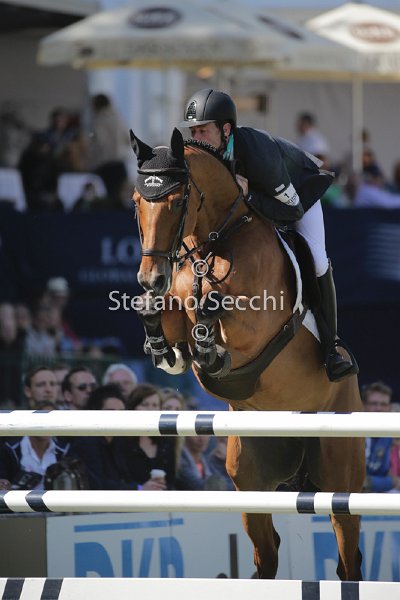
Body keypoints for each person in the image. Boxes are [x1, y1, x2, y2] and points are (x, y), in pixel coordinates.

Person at [178, 88, 357, 383]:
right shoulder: (204, 157)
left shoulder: (257, 153)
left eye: (203, 131)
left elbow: (291, 211)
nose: (196, 138)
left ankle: (331, 347)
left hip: (298, 195)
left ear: (226, 130)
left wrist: (250, 195)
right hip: (254, 203)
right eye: (193, 131)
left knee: (316, 259)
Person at [71, 384, 138, 490]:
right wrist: (138, 488)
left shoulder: (119, 442)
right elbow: (97, 485)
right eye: (110, 412)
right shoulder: (87, 443)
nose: (117, 417)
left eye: (122, 412)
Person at [0, 401, 73, 491]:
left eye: (52, 421)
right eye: (42, 420)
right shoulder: (11, 450)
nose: (47, 425)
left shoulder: (64, 452)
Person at [125, 384, 175, 489]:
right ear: (133, 407)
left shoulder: (166, 442)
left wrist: (163, 487)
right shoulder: (121, 441)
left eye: (155, 405)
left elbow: (171, 481)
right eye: (144, 404)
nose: (150, 410)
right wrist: (140, 489)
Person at [362, 381, 399, 493]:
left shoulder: (392, 434)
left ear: (389, 407)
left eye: (383, 404)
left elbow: (394, 478)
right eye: (374, 403)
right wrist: (389, 482)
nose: (378, 408)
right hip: (352, 493)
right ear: (364, 405)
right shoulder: (350, 431)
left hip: (381, 493)